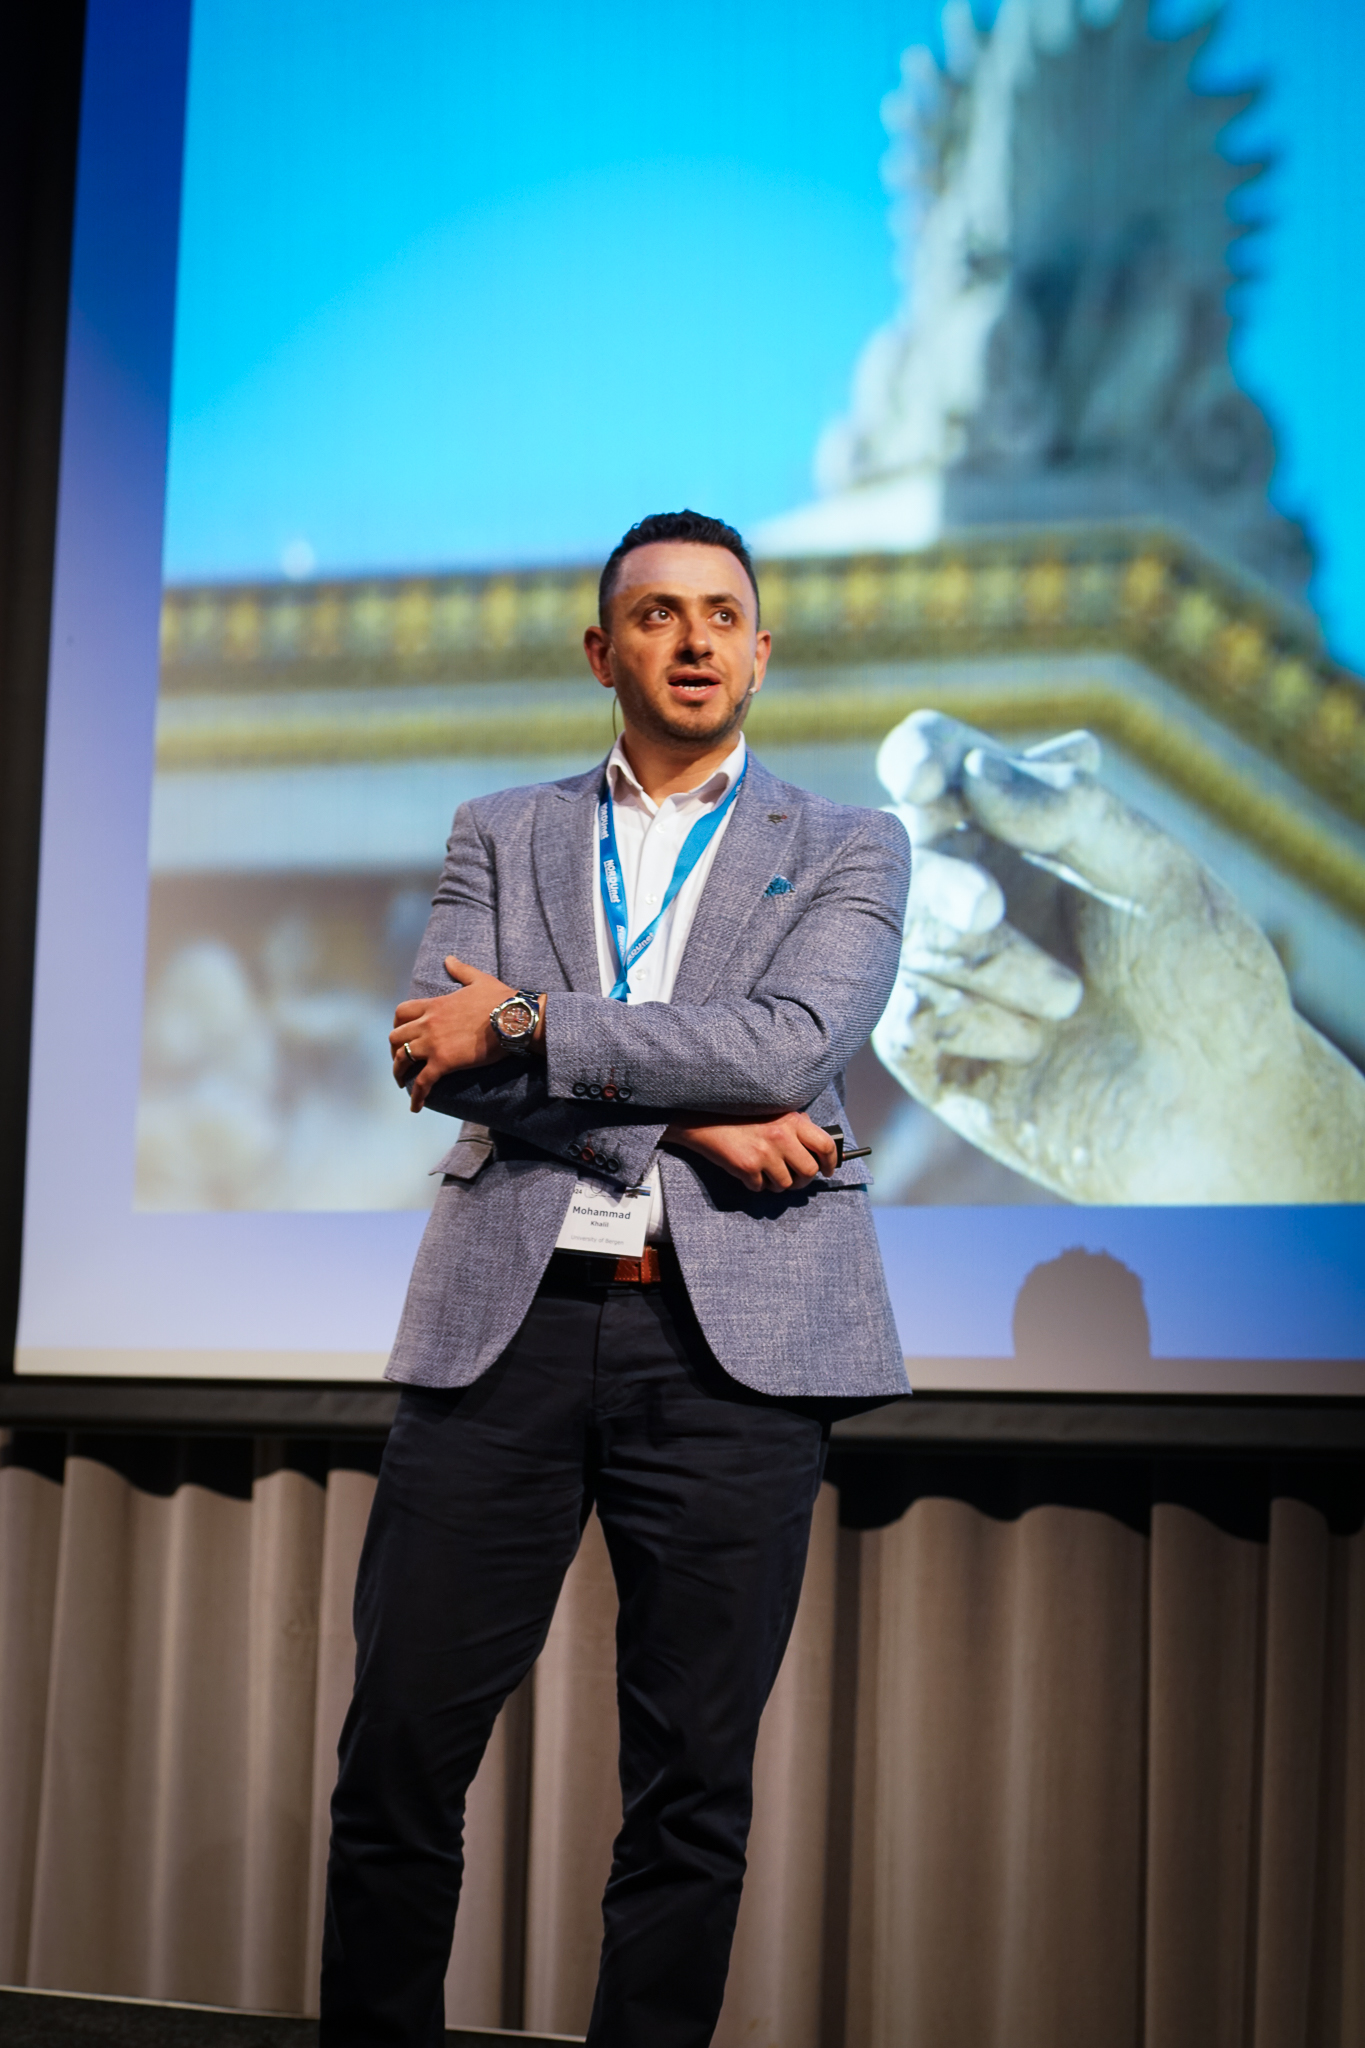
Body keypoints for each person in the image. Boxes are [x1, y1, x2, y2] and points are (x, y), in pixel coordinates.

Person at [319, 510, 911, 2048]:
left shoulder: (850, 844)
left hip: (732, 1356)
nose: (693, 639)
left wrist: (530, 1023)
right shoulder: (499, 830)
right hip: (503, 1333)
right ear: (603, 651)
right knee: (395, 1761)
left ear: (760, 654)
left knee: (689, 1792)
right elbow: (437, 1060)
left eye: (721, 615)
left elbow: (790, 1045)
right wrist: (693, 1119)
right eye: (657, 614)